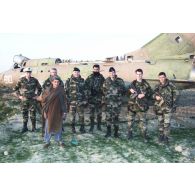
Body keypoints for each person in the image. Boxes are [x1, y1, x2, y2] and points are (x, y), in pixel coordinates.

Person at [37, 76, 66, 148]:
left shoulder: (61, 90)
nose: (56, 83)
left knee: (58, 126)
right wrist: (45, 111)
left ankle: (59, 140)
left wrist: (64, 111)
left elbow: (64, 101)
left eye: (58, 82)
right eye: (55, 82)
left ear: (59, 83)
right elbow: (44, 101)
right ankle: (47, 141)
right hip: (49, 111)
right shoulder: (47, 90)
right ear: (52, 82)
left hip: (58, 110)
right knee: (48, 126)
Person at [127, 68, 152, 141]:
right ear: (136, 74)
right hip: (133, 106)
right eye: (137, 74)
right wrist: (129, 90)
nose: (139, 76)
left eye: (140, 74)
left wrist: (144, 94)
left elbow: (150, 93)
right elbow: (127, 93)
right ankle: (129, 134)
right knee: (130, 121)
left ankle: (144, 136)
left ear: (142, 74)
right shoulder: (132, 84)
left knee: (143, 122)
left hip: (142, 106)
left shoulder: (146, 84)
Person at [14, 67, 42, 133]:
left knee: (33, 115)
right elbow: (15, 89)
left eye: (29, 72)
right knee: (24, 114)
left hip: (32, 100)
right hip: (24, 100)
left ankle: (34, 128)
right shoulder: (21, 80)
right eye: (27, 72)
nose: (28, 73)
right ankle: (24, 127)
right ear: (25, 73)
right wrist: (19, 96)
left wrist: (37, 96)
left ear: (31, 73)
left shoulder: (34, 80)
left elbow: (40, 88)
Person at [153, 72, 178, 144]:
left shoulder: (171, 85)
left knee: (167, 124)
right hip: (159, 107)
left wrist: (173, 105)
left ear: (165, 77)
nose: (161, 79)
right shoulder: (157, 86)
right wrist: (155, 97)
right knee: (160, 122)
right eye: (160, 77)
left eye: (163, 77)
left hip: (168, 108)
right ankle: (161, 136)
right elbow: (152, 95)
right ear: (158, 78)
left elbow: (176, 95)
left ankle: (166, 137)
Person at [103, 67, 126, 138]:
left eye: (113, 72)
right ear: (109, 73)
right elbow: (103, 91)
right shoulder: (106, 81)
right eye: (110, 72)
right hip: (108, 104)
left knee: (116, 118)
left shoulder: (120, 81)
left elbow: (123, 91)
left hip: (117, 104)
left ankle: (116, 132)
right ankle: (108, 132)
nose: (112, 74)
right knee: (108, 118)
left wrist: (118, 96)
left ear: (115, 73)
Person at [64, 67, 87, 134]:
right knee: (72, 116)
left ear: (79, 73)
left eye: (77, 72)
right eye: (75, 72)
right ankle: (72, 128)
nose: (76, 73)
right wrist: (68, 100)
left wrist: (85, 100)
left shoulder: (82, 80)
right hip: (72, 102)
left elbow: (85, 91)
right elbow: (66, 91)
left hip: (80, 102)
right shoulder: (69, 81)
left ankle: (82, 128)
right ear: (72, 72)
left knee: (81, 116)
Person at [85, 64, 105, 133]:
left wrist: (101, 93)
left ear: (99, 69)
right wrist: (90, 92)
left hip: (99, 99)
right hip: (91, 99)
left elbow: (104, 87)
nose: (96, 70)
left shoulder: (102, 78)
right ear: (93, 69)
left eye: (97, 69)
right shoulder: (89, 77)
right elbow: (86, 86)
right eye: (95, 69)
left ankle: (99, 126)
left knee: (99, 114)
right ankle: (92, 126)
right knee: (91, 114)